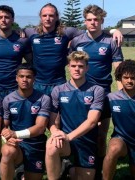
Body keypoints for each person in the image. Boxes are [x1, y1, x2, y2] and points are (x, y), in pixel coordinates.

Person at [69, 5, 124, 178]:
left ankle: (99, 168)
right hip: (80, 93)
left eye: (96, 20)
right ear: (85, 21)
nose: (93, 23)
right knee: (79, 130)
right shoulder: (77, 41)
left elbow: (119, 71)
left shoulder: (110, 41)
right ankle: (74, 163)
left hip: (104, 92)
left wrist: (122, 96)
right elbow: (71, 65)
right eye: (90, 19)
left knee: (101, 134)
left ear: (102, 21)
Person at [23, 3, 123, 96]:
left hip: (59, 82)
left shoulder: (67, 32)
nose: (48, 18)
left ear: (57, 17)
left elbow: (92, 30)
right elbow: (13, 33)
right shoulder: (31, 32)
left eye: (51, 15)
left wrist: (114, 30)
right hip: (38, 83)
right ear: (40, 17)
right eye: (45, 15)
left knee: (59, 114)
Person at [0, 5, 32, 176]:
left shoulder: (22, 40)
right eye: (1, 17)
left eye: (7, 17)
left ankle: (22, 162)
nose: (4, 20)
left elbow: (31, 63)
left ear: (12, 19)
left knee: (18, 126)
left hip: (14, 91)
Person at [45, 51, 105, 180]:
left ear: (87, 68)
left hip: (86, 142)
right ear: (68, 67)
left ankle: (68, 166)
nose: (77, 69)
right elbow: (52, 119)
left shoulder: (97, 90)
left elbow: (92, 121)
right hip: (66, 142)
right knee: (51, 145)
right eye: (73, 66)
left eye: (81, 66)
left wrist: (69, 136)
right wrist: (55, 131)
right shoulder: (58, 90)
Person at [0, 63, 51, 180]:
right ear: (16, 78)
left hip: (36, 145)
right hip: (17, 144)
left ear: (34, 79)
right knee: (7, 151)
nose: (24, 79)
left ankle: (20, 171)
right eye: (21, 76)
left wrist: (15, 133)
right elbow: (3, 126)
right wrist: (7, 137)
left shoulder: (43, 99)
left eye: (28, 77)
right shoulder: (8, 99)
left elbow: (40, 127)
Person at [102, 60, 135, 179]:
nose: (129, 81)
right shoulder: (111, 98)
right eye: (126, 77)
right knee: (113, 148)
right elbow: (99, 119)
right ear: (120, 78)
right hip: (122, 139)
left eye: (133, 78)